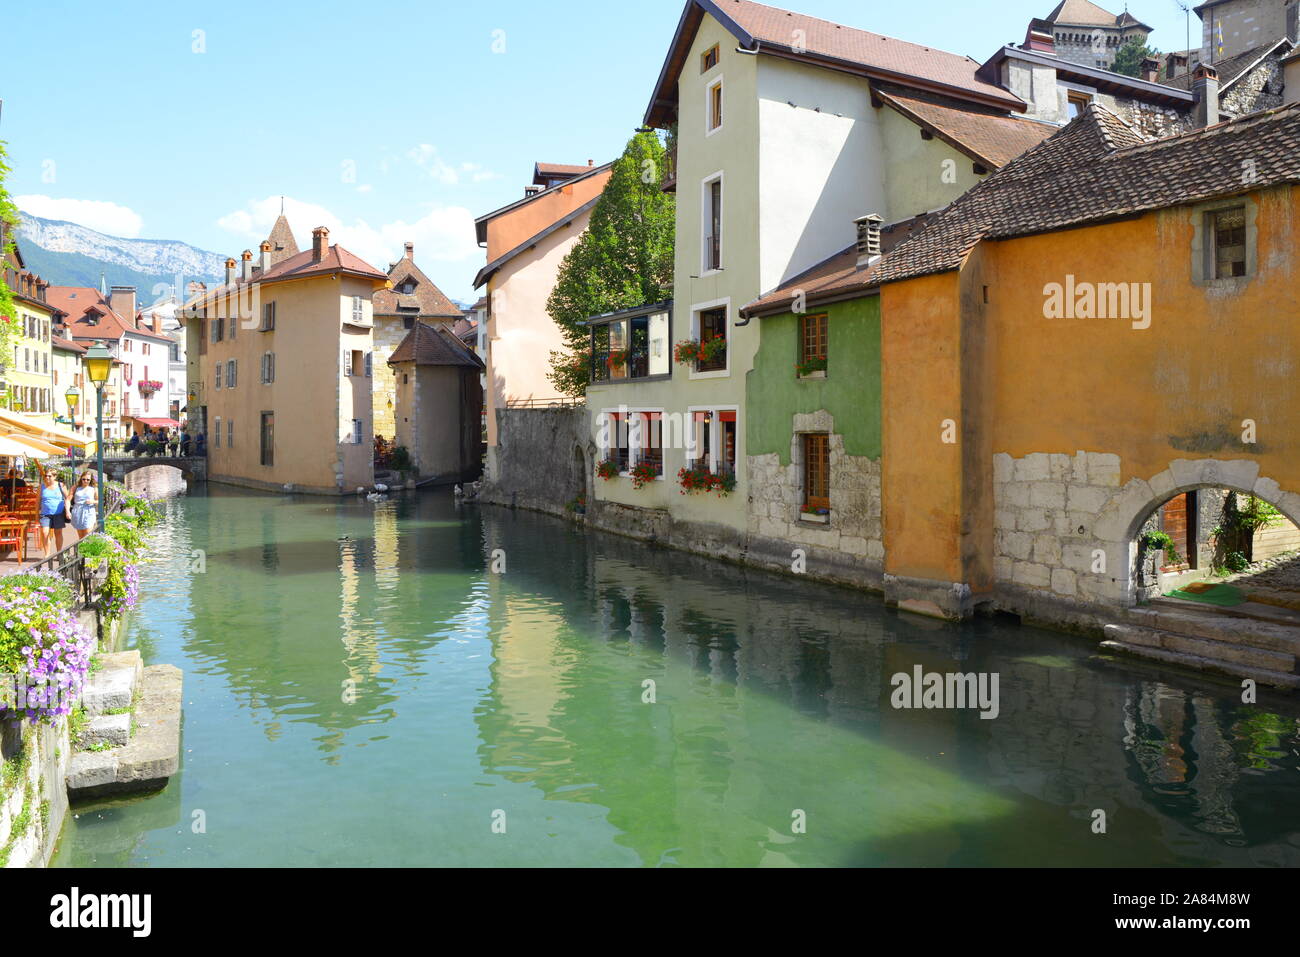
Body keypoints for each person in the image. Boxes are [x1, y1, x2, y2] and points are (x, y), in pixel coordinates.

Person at [38, 469, 72, 556]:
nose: (47, 478)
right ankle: (47, 554)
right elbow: (37, 501)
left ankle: (59, 553)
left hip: (58, 513)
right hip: (45, 514)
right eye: (46, 476)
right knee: (45, 533)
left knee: (58, 533)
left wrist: (67, 511)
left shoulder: (61, 485)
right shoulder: (41, 487)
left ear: (55, 476)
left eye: (49, 476)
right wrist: (35, 514)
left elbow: (67, 498)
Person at [69, 470, 98, 539]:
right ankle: (82, 549)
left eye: (88, 480)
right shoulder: (76, 487)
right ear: (81, 478)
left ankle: (89, 549)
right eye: (84, 479)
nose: (85, 481)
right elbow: (68, 499)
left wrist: (93, 501)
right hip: (78, 511)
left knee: (88, 534)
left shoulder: (94, 488)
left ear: (91, 480)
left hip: (89, 511)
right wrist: (67, 511)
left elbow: (99, 501)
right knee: (81, 536)